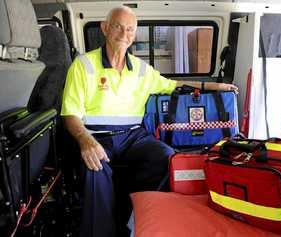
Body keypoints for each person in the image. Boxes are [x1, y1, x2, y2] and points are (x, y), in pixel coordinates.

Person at [61, 6, 238, 237]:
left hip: (134, 136)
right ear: (105, 28)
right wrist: (85, 140)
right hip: (96, 136)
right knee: (94, 167)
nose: (124, 34)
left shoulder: (142, 70)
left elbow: (173, 85)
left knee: (166, 156)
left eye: (130, 29)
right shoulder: (83, 66)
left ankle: (138, 218)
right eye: (118, 27)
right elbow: (70, 114)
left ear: (134, 35)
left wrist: (213, 86)